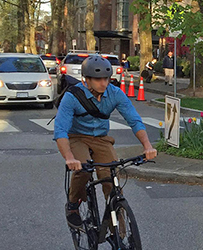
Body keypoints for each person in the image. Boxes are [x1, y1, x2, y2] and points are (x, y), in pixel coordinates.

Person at [54, 55, 157, 228]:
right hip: (76, 137)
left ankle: (120, 233)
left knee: (111, 178)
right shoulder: (72, 97)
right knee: (84, 168)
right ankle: (72, 205)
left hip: (101, 138)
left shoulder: (115, 93)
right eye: (98, 79)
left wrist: (147, 146)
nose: (103, 83)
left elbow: (134, 120)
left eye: (106, 79)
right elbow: (61, 130)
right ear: (85, 80)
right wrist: (69, 157)